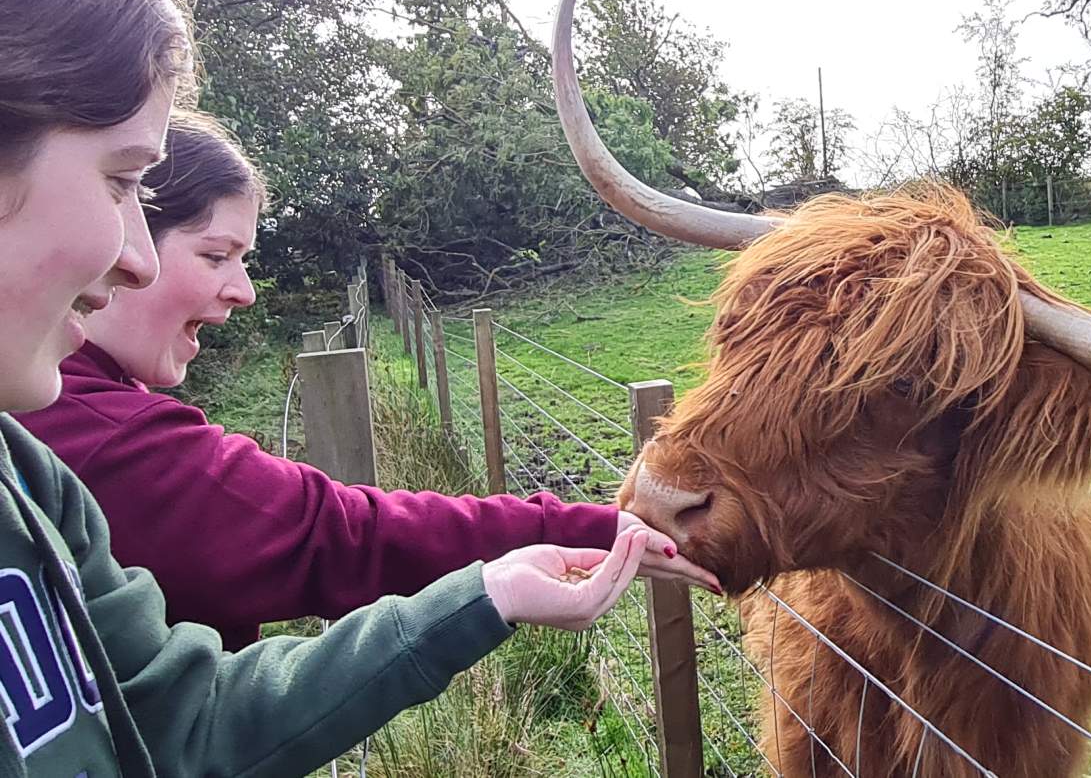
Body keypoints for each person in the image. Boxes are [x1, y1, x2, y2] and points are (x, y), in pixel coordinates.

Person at [0, 0, 690, 773]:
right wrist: (593, 529)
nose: (132, 251)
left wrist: (487, 593)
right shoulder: (84, 442)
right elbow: (331, 535)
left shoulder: (32, 483)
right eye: (119, 181)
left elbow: (187, 727)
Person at [17, 111, 719, 652]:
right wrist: (577, 535)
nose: (245, 292)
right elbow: (339, 537)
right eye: (215, 255)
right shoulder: (94, 435)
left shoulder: (85, 405)